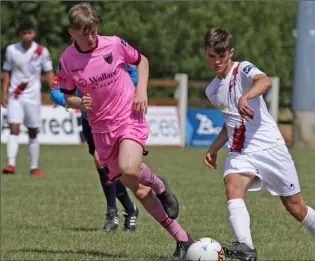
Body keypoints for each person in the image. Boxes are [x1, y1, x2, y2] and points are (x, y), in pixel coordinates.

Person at [57, 3, 193, 259]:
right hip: (101, 129)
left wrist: (141, 89)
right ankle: (183, 239)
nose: (90, 37)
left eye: (93, 30)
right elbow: (65, 96)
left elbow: (142, 61)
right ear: (71, 33)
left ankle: (161, 186)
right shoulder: (67, 60)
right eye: (83, 32)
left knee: (130, 168)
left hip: (129, 116)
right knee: (139, 190)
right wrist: (77, 102)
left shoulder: (114, 44)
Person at [202, 28, 315, 261]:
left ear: (230, 53)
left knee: (295, 207)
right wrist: (214, 148)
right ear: (205, 53)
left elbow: (264, 81)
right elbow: (230, 121)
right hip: (241, 150)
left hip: (270, 148)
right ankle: (246, 248)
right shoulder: (212, 90)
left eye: (221, 55)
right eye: (212, 55)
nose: (217, 61)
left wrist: (246, 96)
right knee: (232, 185)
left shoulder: (243, 68)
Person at [50, 63, 139, 232]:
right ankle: (128, 209)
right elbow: (55, 92)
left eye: (90, 33)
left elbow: (133, 68)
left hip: (116, 117)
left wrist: (132, 90)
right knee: (107, 166)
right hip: (89, 121)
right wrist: (77, 103)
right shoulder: (68, 60)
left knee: (107, 163)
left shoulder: (108, 50)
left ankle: (114, 211)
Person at [1, 19, 54, 177]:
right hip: (15, 95)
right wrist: (4, 93)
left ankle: (33, 167)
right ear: (19, 34)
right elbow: (7, 73)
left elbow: (49, 73)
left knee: (33, 131)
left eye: (29, 32)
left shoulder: (41, 51)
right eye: (23, 32)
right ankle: (10, 164)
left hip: (33, 97)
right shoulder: (11, 50)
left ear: (34, 33)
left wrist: (54, 93)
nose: (26, 35)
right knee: (14, 128)